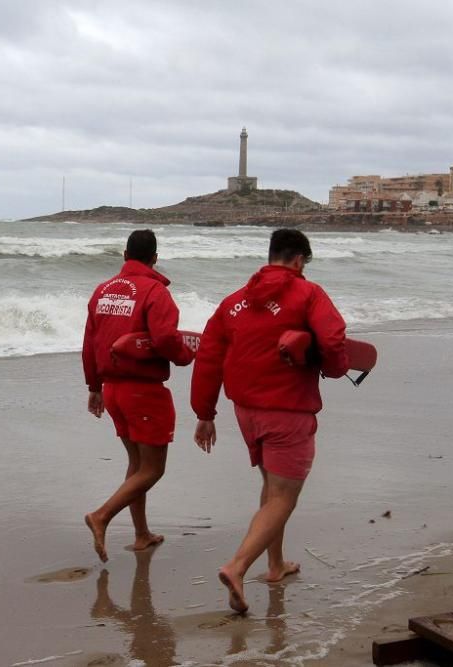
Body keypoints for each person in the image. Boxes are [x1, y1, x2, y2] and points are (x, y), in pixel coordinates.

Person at [190, 228, 349, 613]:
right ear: (298, 260)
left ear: (271, 255)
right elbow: (333, 340)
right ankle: (237, 566)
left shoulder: (233, 303)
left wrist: (204, 413)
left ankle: (275, 565)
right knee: (283, 497)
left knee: (270, 487)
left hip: (246, 411)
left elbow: (209, 357)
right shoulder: (308, 293)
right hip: (287, 411)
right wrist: (335, 367)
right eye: (304, 264)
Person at [82, 229, 194, 562]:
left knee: (136, 463)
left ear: (125, 255)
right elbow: (165, 339)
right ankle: (101, 516)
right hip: (142, 391)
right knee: (152, 469)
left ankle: (142, 534)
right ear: (155, 258)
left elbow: (89, 342)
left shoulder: (102, 291)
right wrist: (187, 356)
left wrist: (94, 387)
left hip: (113, 390)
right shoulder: (154, 291)